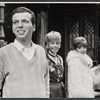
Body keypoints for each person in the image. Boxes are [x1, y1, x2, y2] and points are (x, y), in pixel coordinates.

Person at [0, 7, 49, 98]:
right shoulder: (3, 53)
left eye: (25, 21)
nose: (19, 25)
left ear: (33, 27)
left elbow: (46, 83)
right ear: (13, 28)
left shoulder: (41, 51)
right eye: (15, 22)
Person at [45, 31, 65, 98]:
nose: (55, 46)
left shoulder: (60, 59)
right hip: (49, 91)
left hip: (60, 91)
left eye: (57, 43)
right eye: (52, 43)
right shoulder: (44, 59)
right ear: (47, 45)